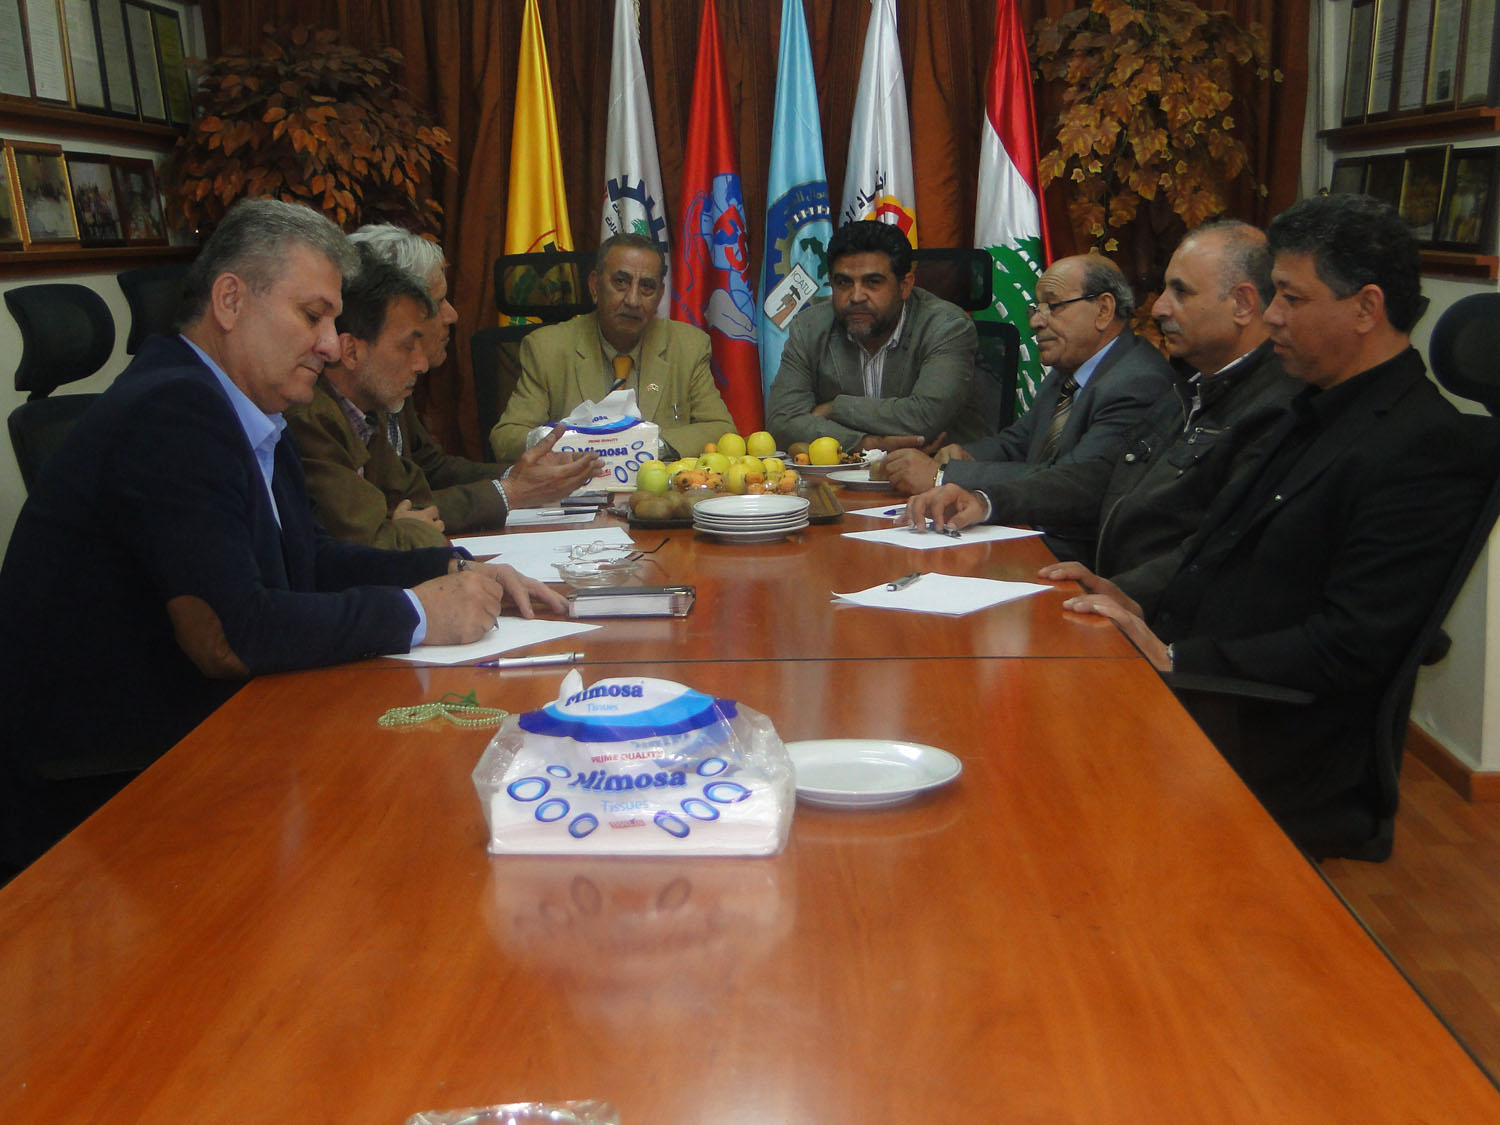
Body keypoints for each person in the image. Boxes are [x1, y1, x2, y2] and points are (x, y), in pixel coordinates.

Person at [0, 198, 567, 869]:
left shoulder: (244, 406)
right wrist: (418, 614)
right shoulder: (171, 412)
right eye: (312, 315)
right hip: (109, 796)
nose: (330, 344)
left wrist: (451, 568)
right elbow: (232, 635)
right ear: (230, 300)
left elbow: (307, 561)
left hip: (212, 740)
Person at [1019, 195, 1488, 858]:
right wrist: (1128, 596)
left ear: (1366, 308)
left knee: (1031, 782)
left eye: (1291, 298)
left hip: (1261, 725)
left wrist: (1177, 659)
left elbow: (1350, 644)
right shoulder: (1314, 402)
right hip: (1203, 680)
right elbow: (1218, 542)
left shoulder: (1423, 446)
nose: (1271, 316)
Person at [905, 222, 1300, 603]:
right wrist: (983, 497)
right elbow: (1096, 475)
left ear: (1243, 304)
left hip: (1135, 600)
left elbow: (1212, 549)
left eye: (1180, 291)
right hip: (1107, 582)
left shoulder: (1266, 405)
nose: (1159, 307)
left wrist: (1120, 594)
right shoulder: (1191, 386)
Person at [349, 224, 599, 532]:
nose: (452, 315)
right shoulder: (351, 397)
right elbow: (389, 511)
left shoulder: (393, 379)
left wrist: (519, 476)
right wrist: (512, 492)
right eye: (438, 302)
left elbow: (431, 469)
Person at [883, 253, 1171, 495]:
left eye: (1053, 306)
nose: (1035, 322)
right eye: (1036, 308)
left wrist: (944, 477)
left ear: (1104, 310)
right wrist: (964, 456)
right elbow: (1017, 442)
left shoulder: (1137, 382)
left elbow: (1070, 481)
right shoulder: (1068, 372)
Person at [489, 233, 734, 461]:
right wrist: (572, 445)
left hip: (656, 487)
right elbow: (506, 438)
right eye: (621, 282)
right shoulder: (547, 348)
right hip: (578, 487)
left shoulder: (688, 346)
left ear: (660, 296)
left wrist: (647, 445)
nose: (633, 300)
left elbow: (721, 429)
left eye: (647, 287)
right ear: (595, 286)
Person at [765, 219, 987, 453]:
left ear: (905, 286)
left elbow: (925, 418)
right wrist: (868, 445)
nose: (856, 296)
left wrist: (836, 408)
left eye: (872, 282)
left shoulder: (947, 327)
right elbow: (782, 423)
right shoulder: (809, 327)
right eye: (844, 283)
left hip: (938, 469)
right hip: (843, 471)